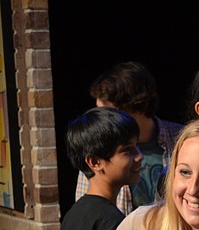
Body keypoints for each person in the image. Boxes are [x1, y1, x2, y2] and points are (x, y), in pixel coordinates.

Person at [75, 61, 184, 214]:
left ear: (134, 105)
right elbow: (87, 213)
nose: (101, 119)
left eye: (107, 111)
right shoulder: (99, 146)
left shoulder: (181, 138)